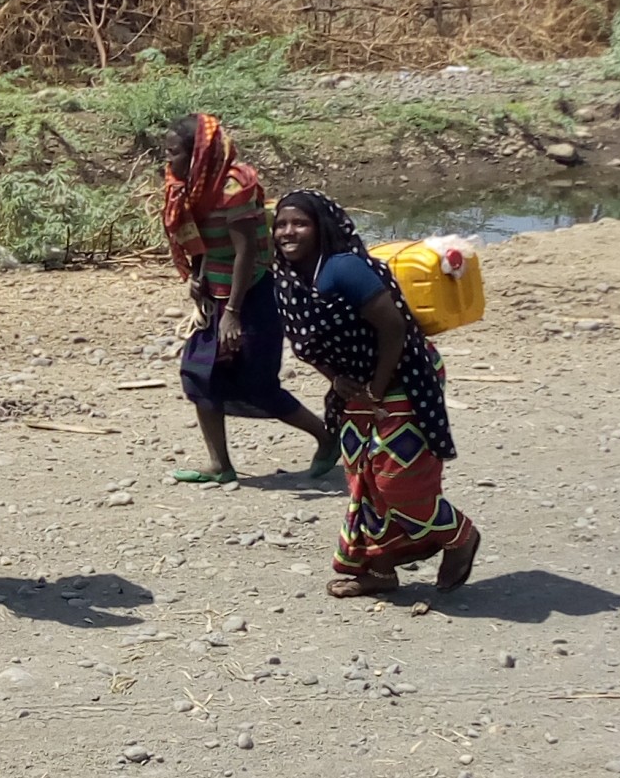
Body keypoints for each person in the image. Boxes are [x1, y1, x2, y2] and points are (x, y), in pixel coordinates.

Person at [271, 190, 482, 598]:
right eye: (281, 224)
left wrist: (377, 390)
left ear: (321, 228)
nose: (288, 232)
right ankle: (379, 571)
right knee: (364, 479)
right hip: (356, 384)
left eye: (299, 223)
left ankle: (459, 535)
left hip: (404, 373)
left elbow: (394, 329)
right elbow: (306, 344)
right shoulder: (289, 279)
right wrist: (336, 378)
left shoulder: (344, 269)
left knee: (397, 480)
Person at [162, 115, 339, 484]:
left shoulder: (232, 186)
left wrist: (233, 314)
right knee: (199, 375)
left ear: (198, 155)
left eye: (174, 153)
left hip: (253, 293)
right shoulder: (189, 186)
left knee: (258, 384)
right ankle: (219, 465)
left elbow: (245, 253)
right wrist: (198, 279)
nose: (168, 161)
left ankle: (326, 438)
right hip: (217, 291)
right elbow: (197, 239)